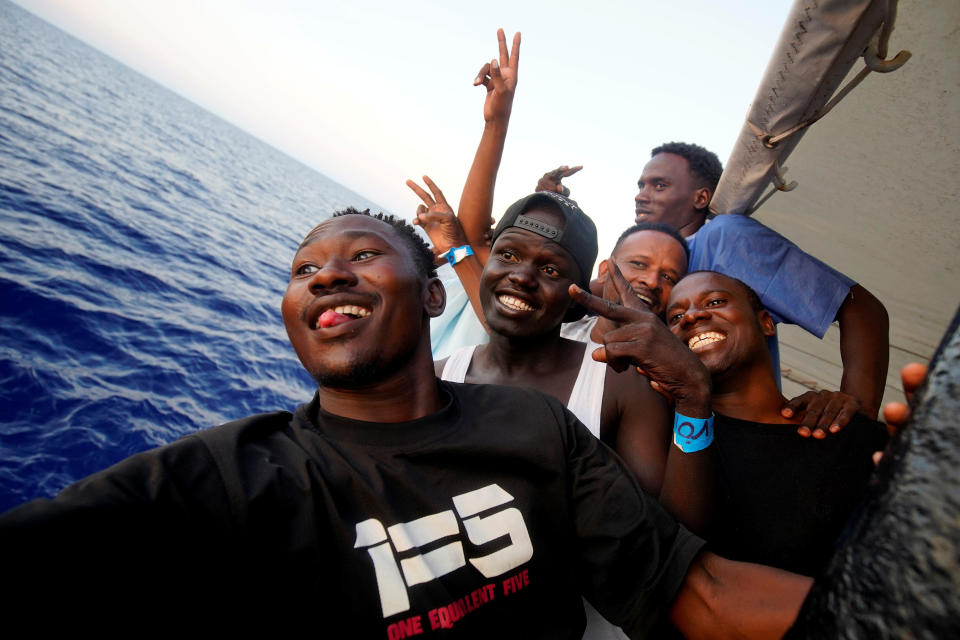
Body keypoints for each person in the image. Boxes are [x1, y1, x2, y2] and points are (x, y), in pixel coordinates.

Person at [0, 210, 814, 637]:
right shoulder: (234, 479)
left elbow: (698, 591)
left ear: (433, 296)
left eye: (357, 255)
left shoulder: (536, 429)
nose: (327, 276)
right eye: (304, 270)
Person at [534, 142, 890, 434]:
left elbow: (861, 308)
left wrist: (855, 416)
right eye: (641, 185)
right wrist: (554, 213)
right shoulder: (644, 274)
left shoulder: (725, 238)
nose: (641, 196)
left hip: (742, 439)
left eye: (659, 185)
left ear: (701, 198)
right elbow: (577, 291)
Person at [662, 270, 889, 575]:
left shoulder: (847, 429)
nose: (691, 317)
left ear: (766, 323)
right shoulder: (678, 454)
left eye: (715, 301)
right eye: (675, 318)